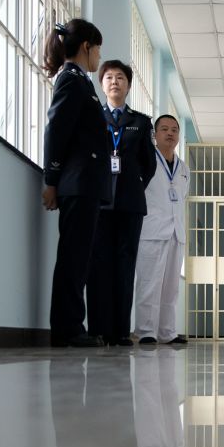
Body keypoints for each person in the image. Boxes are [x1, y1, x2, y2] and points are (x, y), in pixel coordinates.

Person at [41, 19, 110, 348]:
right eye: (98, 49)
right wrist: (50, 180)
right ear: (86, 47)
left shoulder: (82, 82)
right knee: (73, 257)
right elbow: (56, 130)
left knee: (79, 258)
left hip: (87, 185)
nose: (99, 56)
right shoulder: (71, 80)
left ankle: (72, 326)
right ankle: (68, 329)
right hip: (77, 184)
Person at [87, 60, 158, 347]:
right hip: (99, 202)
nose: (114, 81)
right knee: (98, 265)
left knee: (125, 266)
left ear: (128, 85)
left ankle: (119, 331)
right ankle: (98, 330)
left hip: (130, 203)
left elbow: (149, 165)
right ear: (102, 84)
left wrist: (135, 185)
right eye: (109, 77)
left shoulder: (141, 122)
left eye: (120, 77)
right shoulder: (92, 117)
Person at [135, 114, 191, 345]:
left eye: (174, 130)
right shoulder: (145, 161)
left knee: (171, 287)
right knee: (149, 283)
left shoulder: (184, 168)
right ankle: (146, 331)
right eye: (165, 129)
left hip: (176, 233)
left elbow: (183, 197)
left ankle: (167, 332)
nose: (170, 133)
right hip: (152, 230)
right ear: (155, 135)